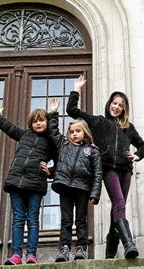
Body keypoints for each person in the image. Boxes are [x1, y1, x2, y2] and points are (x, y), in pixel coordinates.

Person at [66, 75, 144, 259]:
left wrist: (137, 155)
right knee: (119, 203)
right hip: (108, 168)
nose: (116, 106)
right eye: (114, 103)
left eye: (120, 105)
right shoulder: (98, 122)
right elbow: (71, 110)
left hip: (125, 170)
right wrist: (76, 90)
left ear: (124, 108)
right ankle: (128, 244)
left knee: (117, 209)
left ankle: (111, 250)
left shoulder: (129, 127)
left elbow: (143, 146)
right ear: (109, 104)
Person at [0, 103, 56, 265]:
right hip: (16, 182)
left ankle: (31, 254)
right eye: (35, 121)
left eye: (42, 120)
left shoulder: (52, 142)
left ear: (48, 122)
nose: (38, 123)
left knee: (33, 219)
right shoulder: (24, 135)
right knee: (18, 219)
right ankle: (16, 254)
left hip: (35, 184)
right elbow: (6, 125)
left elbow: (62, 163)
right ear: (30, 124)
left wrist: (51, 171)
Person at [47, 98, 102, 262]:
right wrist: (53, 113)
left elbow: (97, 173)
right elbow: (53, 132)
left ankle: (81, 248)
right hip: (64, 186)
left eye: (77, 131)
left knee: (81, 220)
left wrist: (95, 193)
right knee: (66, 220)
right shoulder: (63, 144)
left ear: (85, 131)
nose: (74, 134)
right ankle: (64, 248)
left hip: (82, 188)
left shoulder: (92, 151)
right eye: (71, 132)